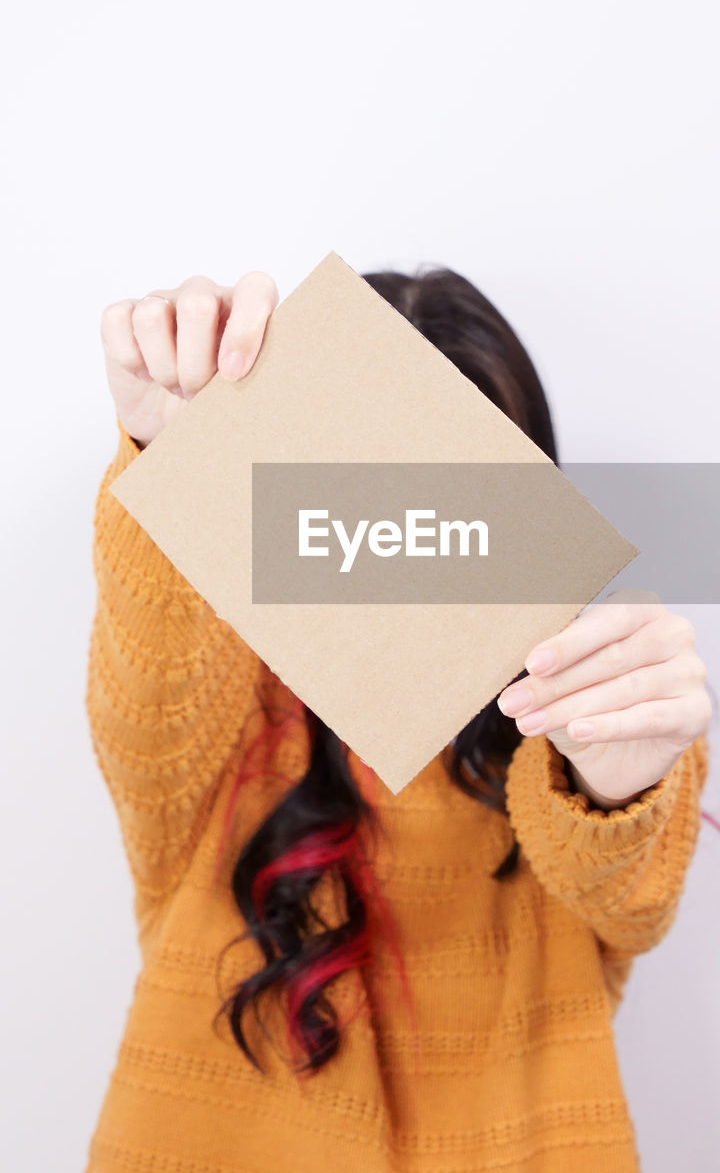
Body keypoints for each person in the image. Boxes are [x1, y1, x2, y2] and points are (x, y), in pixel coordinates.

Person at [85, 267, 712, 1172]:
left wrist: (623, 787)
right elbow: (151, 677)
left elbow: (629, 897)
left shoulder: (567, 742)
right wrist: (179, 461)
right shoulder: (220, 723)